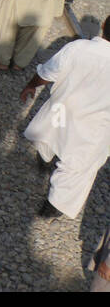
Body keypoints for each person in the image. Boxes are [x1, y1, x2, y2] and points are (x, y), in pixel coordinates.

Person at [22, 17, 110, 219]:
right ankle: (54, 206)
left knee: (51, 136)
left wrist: (31, 85)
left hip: (64, 109)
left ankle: (44, 160)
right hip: (96, 127)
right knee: (77, 168)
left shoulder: (78, 48)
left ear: (104, 27)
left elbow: (48, 72)